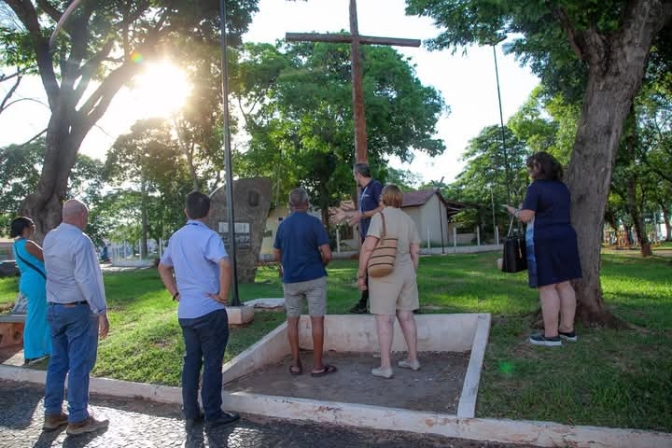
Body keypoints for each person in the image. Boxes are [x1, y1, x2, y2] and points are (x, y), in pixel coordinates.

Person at [158, 191, 240, 430]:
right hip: (209, 310)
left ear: (186, 212)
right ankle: (213, 413)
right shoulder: (209, 236)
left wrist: (175, 292)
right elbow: (224, 263)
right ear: (209, 211)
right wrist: (223, 296)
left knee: (191, 362)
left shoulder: (176, 238)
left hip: (186, 312)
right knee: (213, 363)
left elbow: (163, 268)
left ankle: (191, 412)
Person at [42, 199, 110, 435]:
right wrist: (101, 311)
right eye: (87, 215)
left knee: (58, 362)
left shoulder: (50, 238)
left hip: (54, 307)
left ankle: (52, 413)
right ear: (81, 214)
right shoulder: (81, 241)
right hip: (78, 309)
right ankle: (79, 417)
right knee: (80, 364)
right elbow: (87, 279)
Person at [505, 151, 582, 347]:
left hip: (546, 239)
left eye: (532, 166)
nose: (530, 170)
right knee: (564, 284)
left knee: (547, 287)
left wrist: (513, 210)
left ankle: (551, 336)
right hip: (566, 237)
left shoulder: (536, 187)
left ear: (540, 167)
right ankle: (567, 329)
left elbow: (526, 216)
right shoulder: (562, 188)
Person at [357, 184, 421, 379]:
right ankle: (413, 359)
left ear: (383, 199)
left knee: (385, 319)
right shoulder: (408, 219)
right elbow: (415, 250)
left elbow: (368, 248)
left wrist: (361, 274)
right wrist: (411, 270)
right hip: (407, 271)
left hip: (385, 273)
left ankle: (386, 366)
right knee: (407, 316)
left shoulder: (380, 217)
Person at [273, 188, 336, 377]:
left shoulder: (282, 226)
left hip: (291, 279)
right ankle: (317, 366)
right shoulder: (315, 223)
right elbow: (328, 254)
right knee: (317, 320)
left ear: (290, 205)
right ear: (307, 203)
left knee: (292, 322)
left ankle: (295, 364)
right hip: (314, 277)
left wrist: (283, 265)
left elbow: (276, 254)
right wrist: (320, 263)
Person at [334, 163, 384, 313]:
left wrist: (362, 215)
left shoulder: (376, 186)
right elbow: (363, 213)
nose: (354, 177)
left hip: (377, 236)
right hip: (366, 235)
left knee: (377, 268)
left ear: (358, 174)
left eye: (354, 174)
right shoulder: (363, 190)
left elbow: (383, 208)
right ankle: (364, 303)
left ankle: (366, 303)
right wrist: (349, 216)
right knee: (369, 269)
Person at [10, 217, 51, 365]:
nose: (34, 227)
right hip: (37, 282)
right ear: (26, 227)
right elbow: (47, 257)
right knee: (36, 317)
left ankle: (46, 349)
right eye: (32, 225)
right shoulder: (28, 244)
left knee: (43, 316)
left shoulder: (16, 245)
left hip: (29, 281)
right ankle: (33, 353)